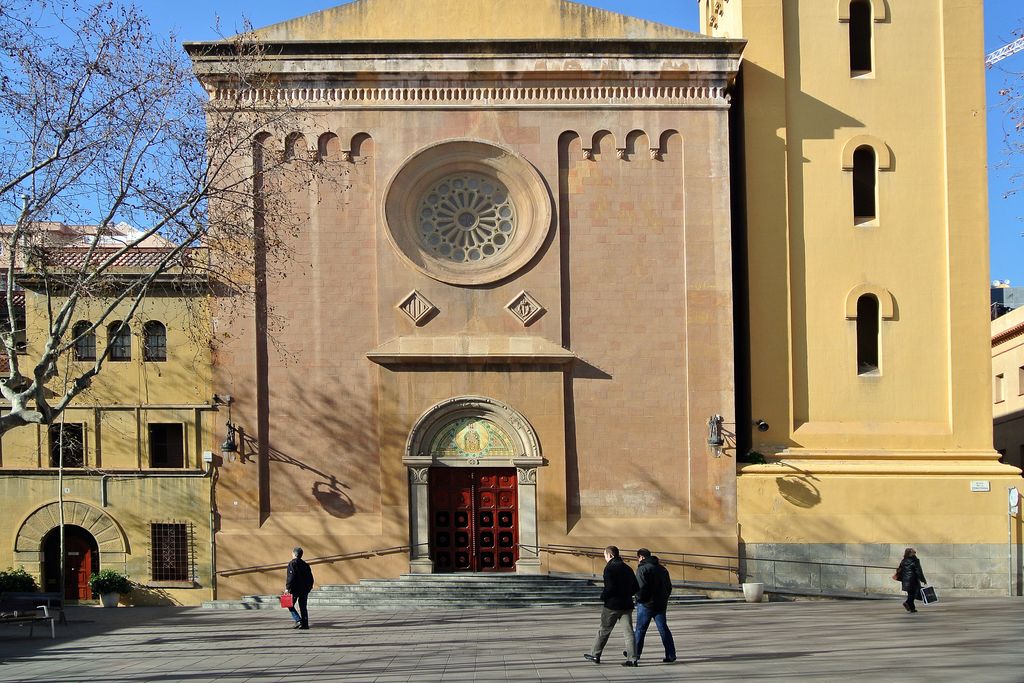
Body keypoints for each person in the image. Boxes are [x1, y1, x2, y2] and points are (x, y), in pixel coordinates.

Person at [584, 545, 640, 667]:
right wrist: (626, 594)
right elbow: (636, 587)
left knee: (604, 630)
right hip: (626, 604)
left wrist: (603, 597)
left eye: (605, 555)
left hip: (612, 605)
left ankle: (595, 654)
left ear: (610, 555)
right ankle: (633, 659)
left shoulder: (609, 569)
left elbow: (609, 588)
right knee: (629, 632)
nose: (604, 557)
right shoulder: (627, 568)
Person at [634, 548, 676, 663]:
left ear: (641, 557)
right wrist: (664, 598)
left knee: (640, 630)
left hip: (646, 605)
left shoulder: (642, 569)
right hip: (660, 604)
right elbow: (669, 587)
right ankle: (671, 654)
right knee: (663, 629)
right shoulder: (662, 569)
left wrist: (640, 599)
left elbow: (640, 588)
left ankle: (635, 655)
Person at [285, 547, 314, 630]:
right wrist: (309, 587)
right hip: (304, 589)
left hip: (295, 589)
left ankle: (298, 620)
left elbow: (291, 577)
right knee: (303, 607)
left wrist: (287, 588)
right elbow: (310, 577)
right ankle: (305, 624)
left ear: (294, 554)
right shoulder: (305, 564)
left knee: (289, 605)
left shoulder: (292, 563)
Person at [895, 547, 927, 613]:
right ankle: (907, 602)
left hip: (905, 581)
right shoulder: (915, 560)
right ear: (910, 553)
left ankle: (912, 608)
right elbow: (919, 571)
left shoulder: (903, 561)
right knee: (913, 594)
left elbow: (899, 569)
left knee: (910, 594)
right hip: (913, 580)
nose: (915, 553)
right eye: (914, 552)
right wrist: (923, 579)